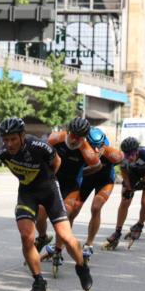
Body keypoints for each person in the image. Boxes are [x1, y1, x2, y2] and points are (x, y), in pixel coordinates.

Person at [0, 117, 93, 291]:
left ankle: (81, 265)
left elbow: (56, 162)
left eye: (13, 139)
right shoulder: (4, 155)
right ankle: (39, 281)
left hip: (49, 190)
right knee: (26, 237)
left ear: (22, 136)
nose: (9, 144)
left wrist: (48, 180)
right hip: (27, 194)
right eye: (5, 140)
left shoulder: (39, 146)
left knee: (66, 237)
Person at [34, 117, 102, 275]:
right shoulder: (55, 138)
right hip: (53, 180)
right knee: (41, 214)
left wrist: (82, 173)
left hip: (71, 185)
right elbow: (41, 155)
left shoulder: (86, 149)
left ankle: (58, 250)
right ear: (68, 131)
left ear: (84, 137)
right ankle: (43, 237)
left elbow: (97, 166)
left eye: (79, 137)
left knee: (64, 215)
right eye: (73, 134)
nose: (74, 139)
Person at [71, 128, 124, 258]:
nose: (96, 151)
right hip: (87, 180)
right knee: (73, 210)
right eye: (93, 147)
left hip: (105, 181)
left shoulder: (108, 151)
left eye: (99, 147)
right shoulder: (81, 148)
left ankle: (89, 243)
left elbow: (121, 158)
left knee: (96, 208)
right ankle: (61, 243)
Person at [102, 137, 145, 250]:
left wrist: (144, 179)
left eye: (132, 154)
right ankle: (117, 232)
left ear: (137, 151)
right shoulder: (123, 158)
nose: (130, 157)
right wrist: (129, 187)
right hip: (133, 174)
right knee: (125, 199)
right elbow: (124, 171)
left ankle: (139, 225)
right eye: (127, 154)